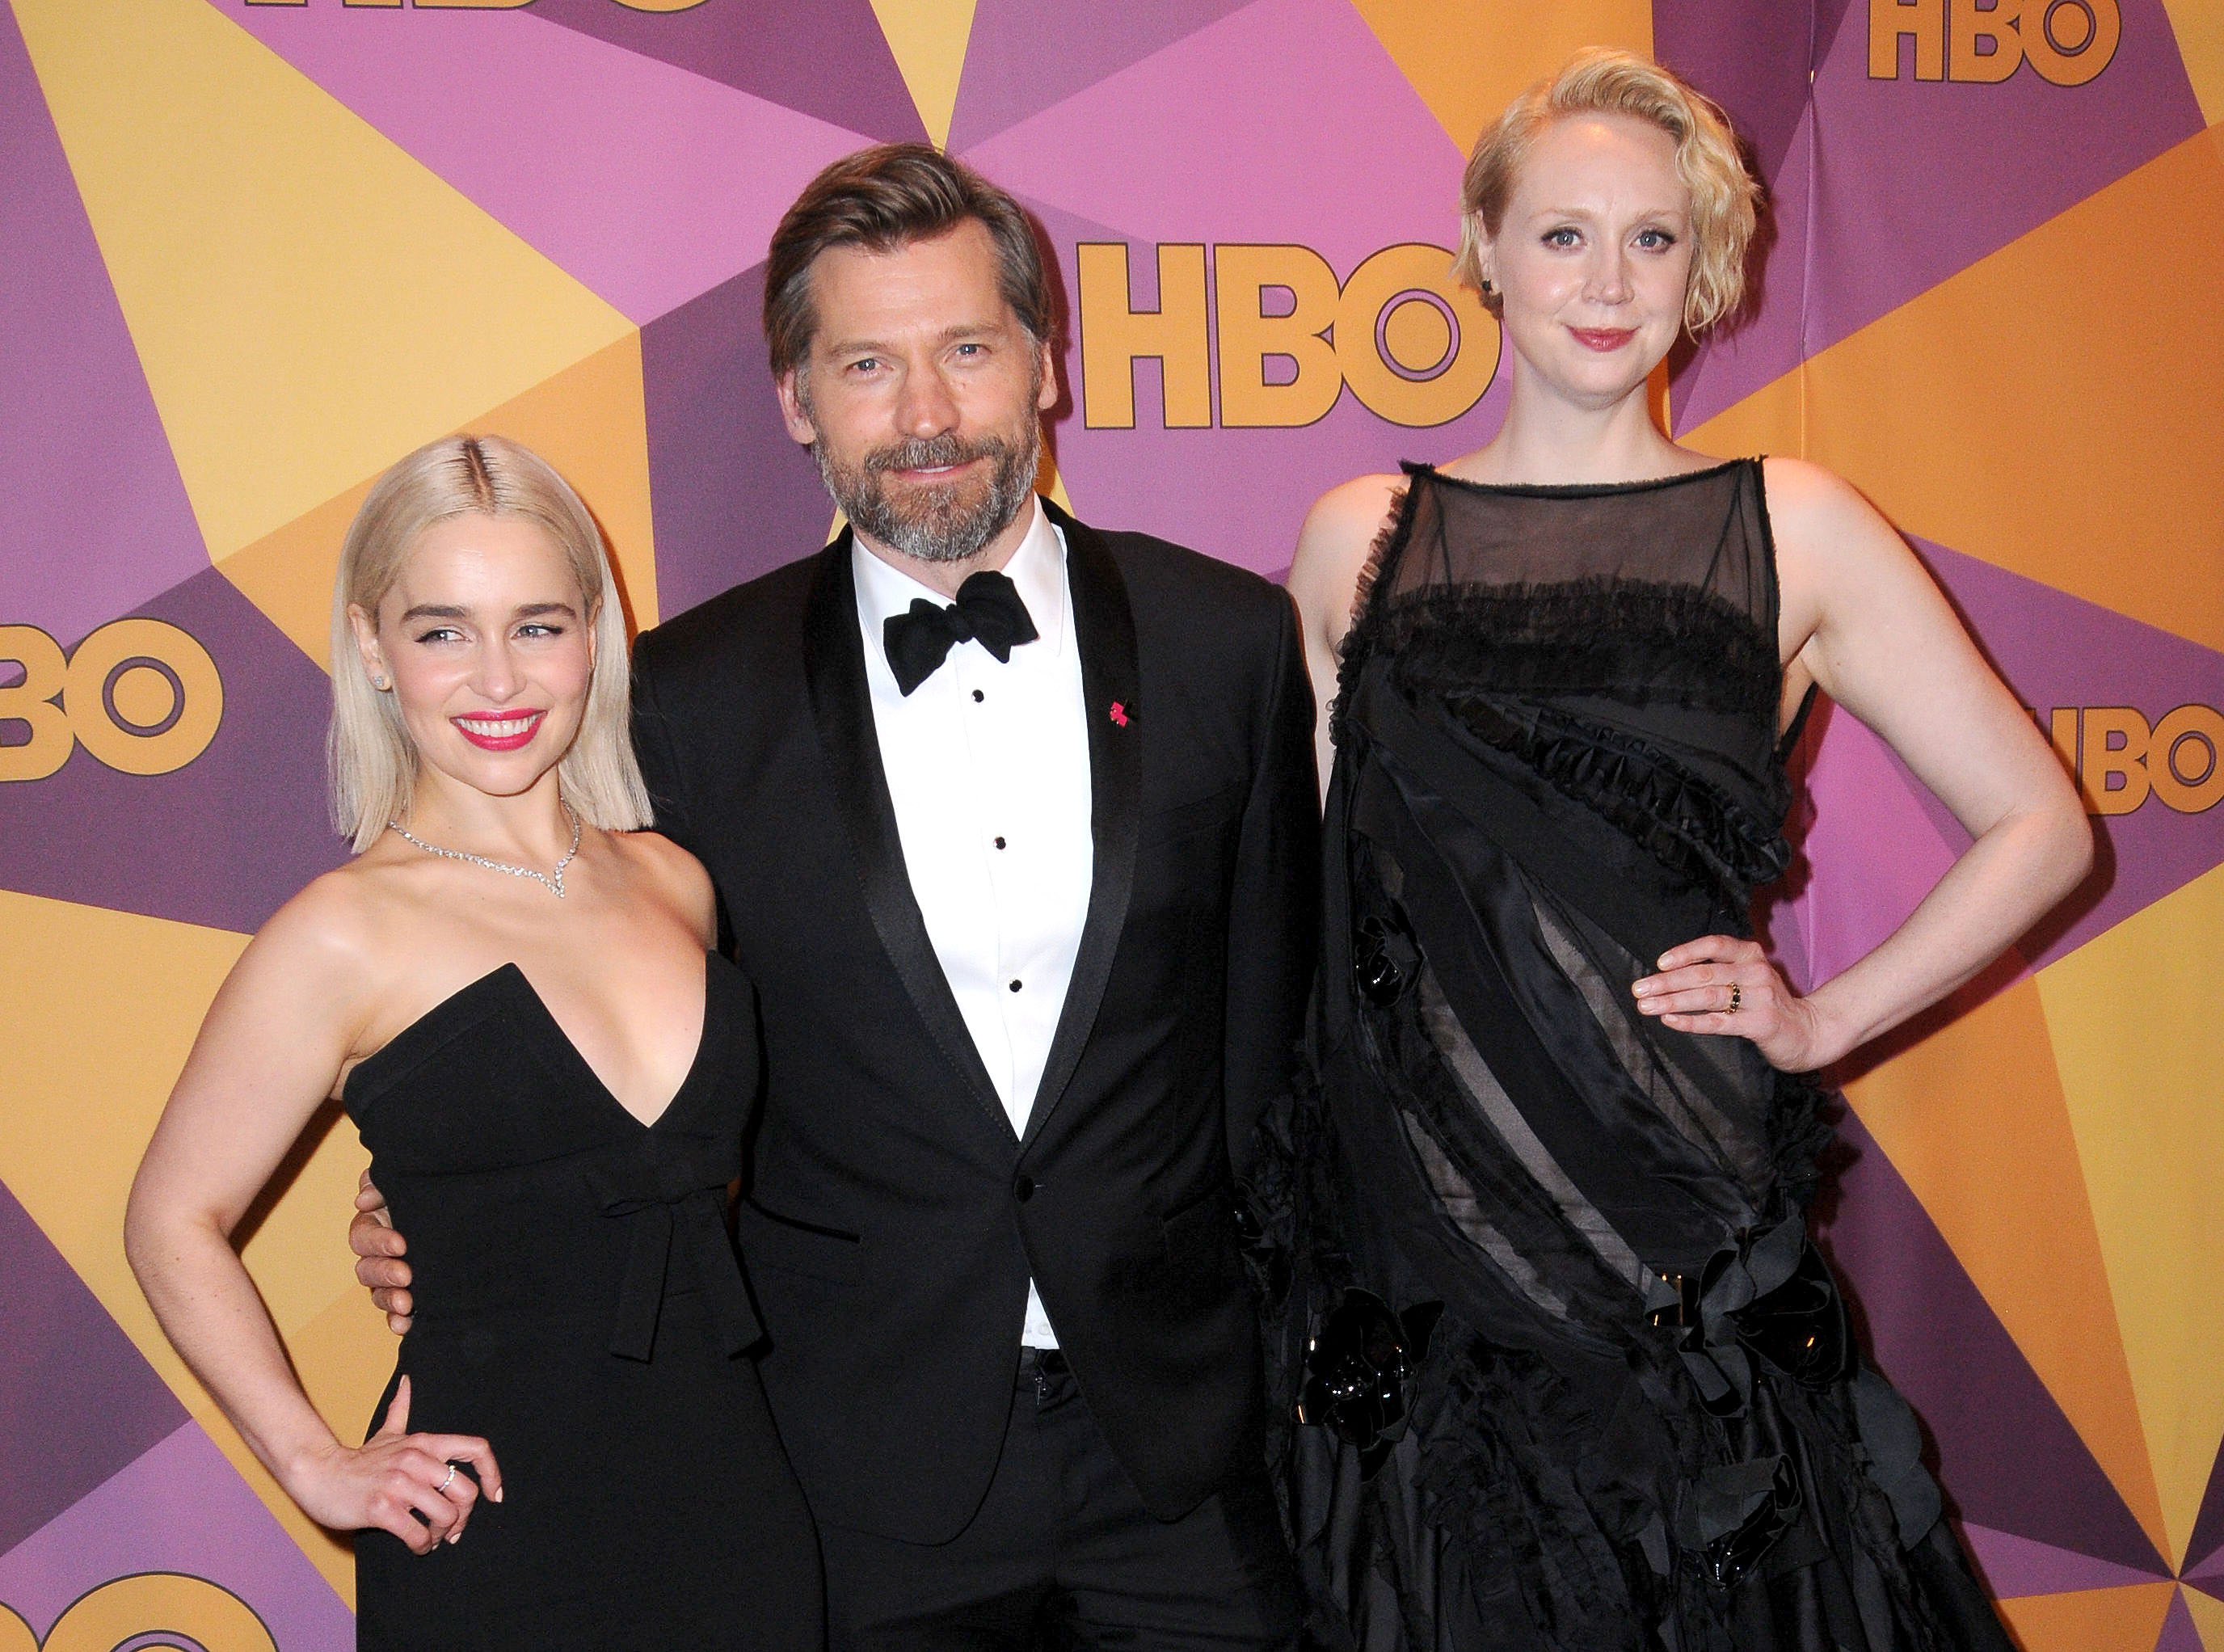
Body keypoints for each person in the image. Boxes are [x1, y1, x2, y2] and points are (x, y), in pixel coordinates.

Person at [353, 146, 1319, 1649]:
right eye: (867, 364)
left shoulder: (1228, 640)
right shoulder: (681, 698)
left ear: (1045, 364)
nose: (925, 414)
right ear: (798, 399)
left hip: (1183, 1450)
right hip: (846, 1462)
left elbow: (1282, 1036)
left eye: (968, 350)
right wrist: (437, 1212)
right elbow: (589, 1021)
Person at [1267, 48, 2091, 1652]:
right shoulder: (1356, 536)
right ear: (1484, 246)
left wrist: (1825, 1017)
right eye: (1562, 235)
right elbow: (1317, 896)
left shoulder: (1795, 525)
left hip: (1677, 1237)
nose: (1607, 282)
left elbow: (2043, 822)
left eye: (1651, 238)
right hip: (1436, 1252)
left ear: (1702, 264)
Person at [126, 436, 823, 1650]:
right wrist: (313, 1463)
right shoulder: (342, 933)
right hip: (492, 1534)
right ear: (372, 648)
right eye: (443, 631)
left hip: (735, 1510)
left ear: (595, 635)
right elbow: (169, 1218)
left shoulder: (674, 883)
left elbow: (681, 1193)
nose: (497, 679)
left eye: (537, 626)